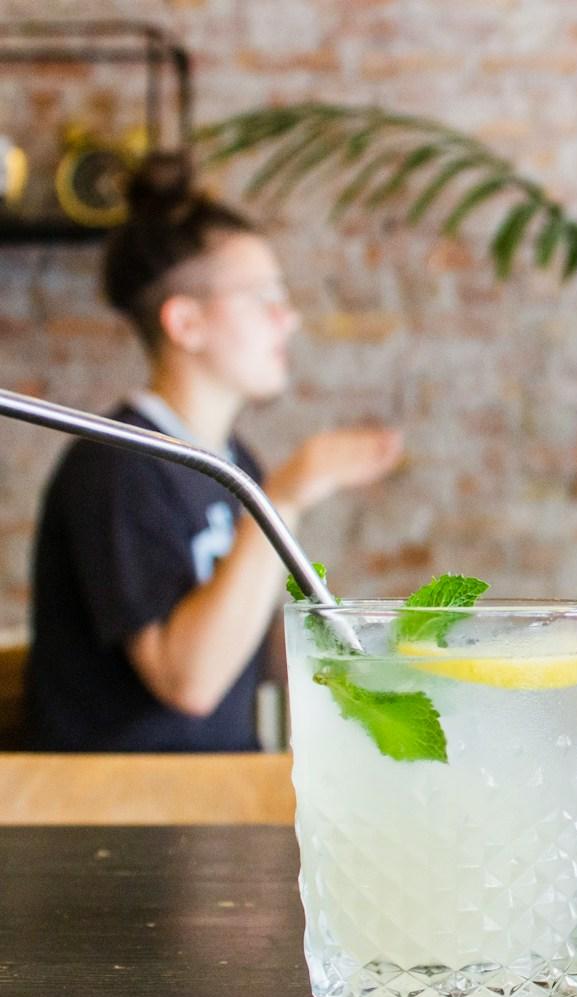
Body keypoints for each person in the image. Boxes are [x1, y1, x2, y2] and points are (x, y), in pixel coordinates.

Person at [24, 154, 403, 752]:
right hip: (118, 816)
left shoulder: (234, 462)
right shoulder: (118, 466)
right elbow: (188, 681)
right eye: (263, 298)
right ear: (187, 323)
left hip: (212, 802)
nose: (289, 318)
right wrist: (285, 495)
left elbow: (257, 655)